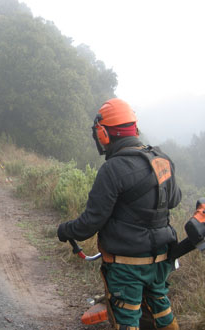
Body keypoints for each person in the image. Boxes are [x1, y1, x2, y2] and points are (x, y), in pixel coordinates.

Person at [57, 98, 182, 330]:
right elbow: (174, 200)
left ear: (104, 134)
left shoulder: (113, 169)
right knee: (160, 308)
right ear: (133, 128)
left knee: (126, 318)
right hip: (162, 260)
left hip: (127, 265)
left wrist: (65, 230)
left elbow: (89, 224)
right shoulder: (162, 159)